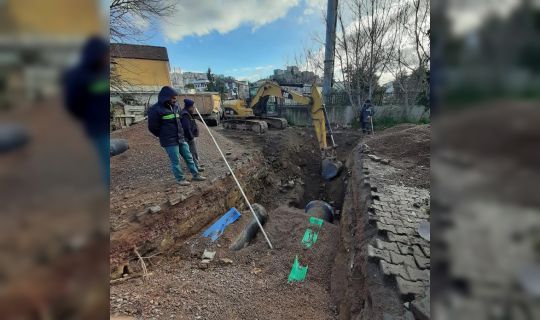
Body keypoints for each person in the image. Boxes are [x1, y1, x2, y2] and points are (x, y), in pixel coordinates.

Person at [63, 36, 110, 187]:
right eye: (105, 54)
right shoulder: (78, 75)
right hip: (96, 126)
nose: (107, 58)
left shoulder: (103, 72)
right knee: (104, 162)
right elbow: (72, 104)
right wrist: (89, 117)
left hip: (104, 123)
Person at [148, 86, 206, 186]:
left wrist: (182, 134)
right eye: (173, 98)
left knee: (189, 157)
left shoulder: (176, 107)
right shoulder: (155, 109)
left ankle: (196, 175)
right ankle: (180, 179)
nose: (175, 100)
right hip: (169, 141)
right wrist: (162, 135)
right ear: (166, 97)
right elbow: (153, 127)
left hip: (180, 138)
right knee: (176, 161)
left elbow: (179, 122)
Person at [180, 99, 205, 172]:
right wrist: (191, 137)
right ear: (189, 107)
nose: (194, 108)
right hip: (188, 138)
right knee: (192, 153)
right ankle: (196, 168)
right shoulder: (185, 114)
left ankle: (196, 166)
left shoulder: (188, 113)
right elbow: (186, 128)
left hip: (189, 136)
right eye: (193, 107)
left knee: (193, 152)